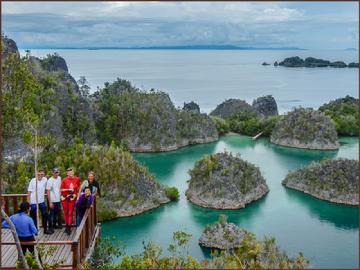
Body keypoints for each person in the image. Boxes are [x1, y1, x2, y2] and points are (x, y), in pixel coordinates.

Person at [27, 169, 51, 234]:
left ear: (44, 174)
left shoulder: (45, 179)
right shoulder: (33, 181)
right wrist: (28, 204)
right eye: (38, 174)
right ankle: (35, 230)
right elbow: (29, 192)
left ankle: (45, 229)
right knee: (33, 216)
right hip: (33, 202)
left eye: (42, 174)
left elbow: (49, 187)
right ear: (36, 174)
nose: (40, 175)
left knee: (45, 215)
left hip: (41, 201)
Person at [60, 167, 80, 235]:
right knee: (65, 212)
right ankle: (66, 226)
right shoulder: (64, 180)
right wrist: (68, 189)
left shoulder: (77, 179)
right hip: (64, 198)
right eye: (69, 172)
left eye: (72, 172)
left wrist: (78, 195)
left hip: (72, 197)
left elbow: (78, 188)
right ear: (67, 173)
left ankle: (69, 227)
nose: (70, 173)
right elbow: (61, 190)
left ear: (73, 172)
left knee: (70, 212)